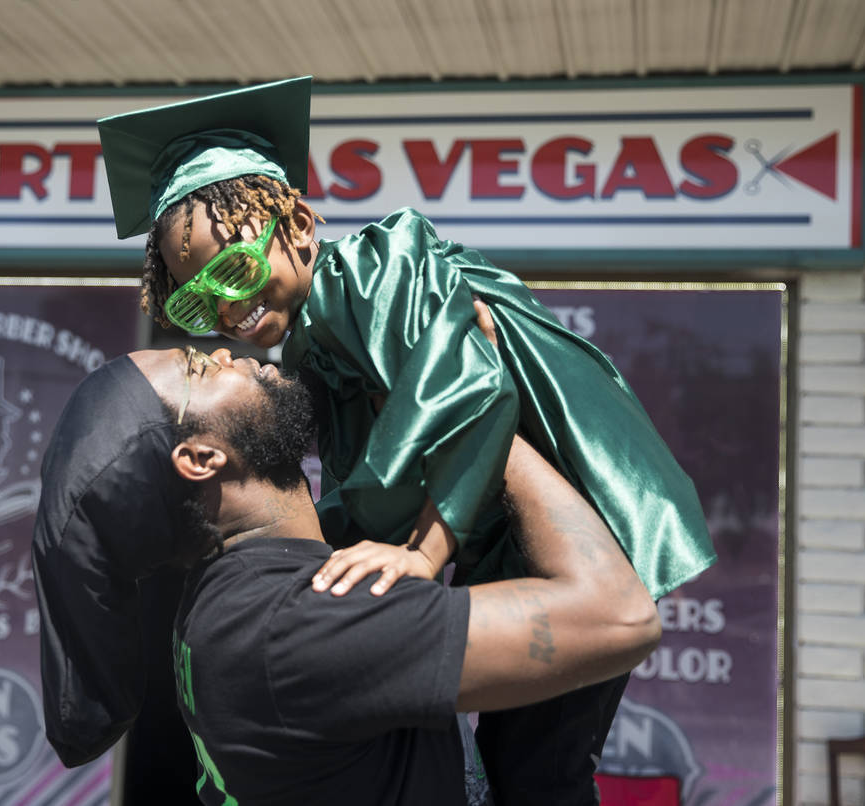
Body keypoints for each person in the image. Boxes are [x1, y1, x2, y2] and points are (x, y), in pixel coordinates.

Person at [97, 76, 716, 804]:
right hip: (497, 525)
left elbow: (476, 391)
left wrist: (422, 555)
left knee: (539, 763)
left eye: (234, 269)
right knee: (511, 757)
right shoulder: (306, 348)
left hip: (585, 508)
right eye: (196, 299)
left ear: (297, 224)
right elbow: (365, 482)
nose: (227, 308)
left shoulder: (380, 266)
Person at [32, 338, 662, 805]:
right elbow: (622, 618)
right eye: (201, 369)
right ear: (201, 457)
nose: (225, 352)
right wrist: (473, 416)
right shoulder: (299, 622)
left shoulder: (233, 598)